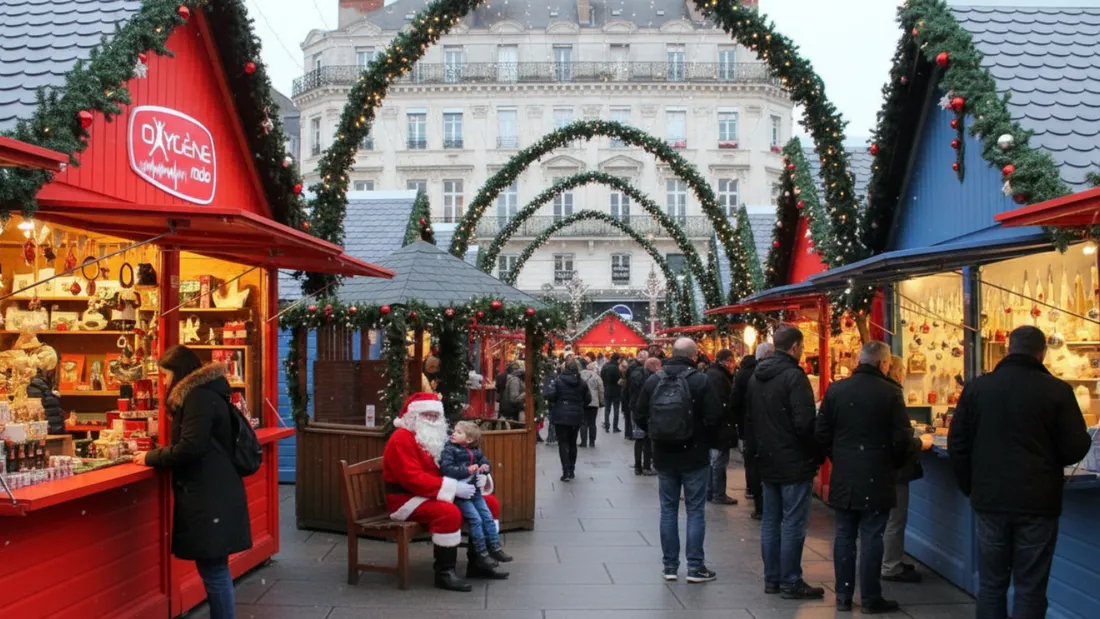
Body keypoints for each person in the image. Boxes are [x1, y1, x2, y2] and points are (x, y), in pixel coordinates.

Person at [949, 326, 1091, 619]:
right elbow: (1076, 446)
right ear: (1042, 353)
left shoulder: (978, 389)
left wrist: (971, 486)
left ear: (1008, 349)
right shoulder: (1057, 391)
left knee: (991, 584)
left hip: (990, 497)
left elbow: (958, 444)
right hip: (1038, 500)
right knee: (1030, 587)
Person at [133, 346, 251, 619]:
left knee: (214, 570)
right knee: (216, 568)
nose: (164, 382)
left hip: (209, 495)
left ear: (179, 372)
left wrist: (151, 456)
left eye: (166, 375)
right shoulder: (208, 393)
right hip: (217, 490)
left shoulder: (197, 398)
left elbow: (191, 447)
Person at [815, 341, 923, 613]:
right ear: (883, 363)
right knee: (873, 536)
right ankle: (871, 597)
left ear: (859, 361)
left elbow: (822, 434)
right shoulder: (890, 393)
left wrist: (839, 457)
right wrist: (891, 461)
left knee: (844, 535)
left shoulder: (837, 390)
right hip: (877, 474)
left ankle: (843, 595)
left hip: (845, 474)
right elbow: (901, 439)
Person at [383, 393, 506, 591]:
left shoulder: (438, 438)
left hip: (433, 491)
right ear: (412, 416)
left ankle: (479, 563)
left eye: (435, 415)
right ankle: (444, 573)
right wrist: (454, 488)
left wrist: (479, 477)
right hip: (407, 498)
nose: (432, 419)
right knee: (448, 513)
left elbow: (457, 463)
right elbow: (412, 479)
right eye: (427, 415)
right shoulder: (401, 439)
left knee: (490, 504)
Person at [635, 337, 722, 583]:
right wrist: (701, 437)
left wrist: (657, 433)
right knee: (695, 510)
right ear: (694, 356)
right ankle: (695, 566)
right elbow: (715, 416)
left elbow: (639, 413)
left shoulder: (654, 380)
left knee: (668, 510)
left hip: (664, 455)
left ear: (672, 353)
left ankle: (670, 566)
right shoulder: (700, 380)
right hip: (694, 455)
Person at [745, 324, 823, 599]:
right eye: (802, 346)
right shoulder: (794, 376)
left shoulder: (756, 377)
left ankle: (772, 578)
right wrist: (814, 453)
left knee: (771, 520)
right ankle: (790, 580)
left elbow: (750, 419)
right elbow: (805, 423)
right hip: (793, 460)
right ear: (795, 347)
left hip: (767, 458)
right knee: (792, 522)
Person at [438, 421, 513, 573]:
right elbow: (447, 468)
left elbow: (484, 461)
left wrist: (485, 468)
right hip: (461, 495)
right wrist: (467, 470)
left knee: (487, 516)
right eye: (454, 430)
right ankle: (481, 552)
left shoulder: (475, 450)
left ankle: (495, 547)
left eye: (459, 432)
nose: (453, 434)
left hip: (475, 492)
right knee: (476, 519)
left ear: (469, 439)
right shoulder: (450, 449)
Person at [882, 354, 930, 583]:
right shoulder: (893, 394)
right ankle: (891, 565)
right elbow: (901, 439)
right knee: (895, 517)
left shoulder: (879, 392)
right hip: (895, 468)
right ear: (897, 372)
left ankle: (888, 560)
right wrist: (920, 443)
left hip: (879, 467)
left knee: (885, 519)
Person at [733, 343, 772, 520]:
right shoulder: (784, 375)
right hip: (769, 429)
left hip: (749, 426)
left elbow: (735, 401)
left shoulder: (744, 374)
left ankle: (757, 500)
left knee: (752, 463)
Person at [704, 349, 738, 505]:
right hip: (721, 425)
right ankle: (718, 493)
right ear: (726, 360)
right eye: (732, 360)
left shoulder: (713, 374)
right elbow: (721, 402)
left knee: (714, 460)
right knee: (719, 460)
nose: (733, 364)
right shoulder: (719, 377)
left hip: (715, 425)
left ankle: (710, 491)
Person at [547, 358, 591, 482]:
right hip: (576, 416)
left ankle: (565, 471)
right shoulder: (582, 382)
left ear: (565, 368)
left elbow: (551, 396)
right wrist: (579, 405)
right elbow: (588, 399)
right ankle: (572, 469)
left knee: (563, 443)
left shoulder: (558, 381)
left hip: (561, 415)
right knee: (573, 442)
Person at [578, 358, 604, 448]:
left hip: (583, 402)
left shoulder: (579, 375)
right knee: (592, 423)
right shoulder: (596, 376)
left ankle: (583, 442)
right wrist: (601, 402)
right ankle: (592, 442)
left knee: (583, 422)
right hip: (594, 402)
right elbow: (601, 390)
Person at [600, 353, 622, 433]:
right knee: (616, 409)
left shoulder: (605, 366)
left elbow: (601, 375)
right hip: (616, 390)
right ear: (617, 359)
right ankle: (615, 427)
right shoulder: (617, 367)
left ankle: (607, 426)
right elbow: (620, 378)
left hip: (607, 389)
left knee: (607, 409)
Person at [620, 355, 634, 438]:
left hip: (625, 401)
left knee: (627, 418)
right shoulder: (630, 382)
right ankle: (630, 434)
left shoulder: (624, 381)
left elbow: (623, 393)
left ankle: (627, 433)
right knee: (630, 418)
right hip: (629, 401)